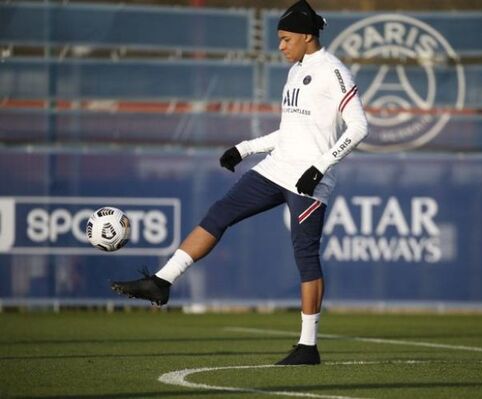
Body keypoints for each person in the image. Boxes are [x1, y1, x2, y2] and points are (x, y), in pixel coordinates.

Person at [111, 0, 368, 366]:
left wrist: (320, 167)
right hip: (275, 168)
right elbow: (290, 131)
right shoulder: (296, 71)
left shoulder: (333, 70)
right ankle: (162, 281)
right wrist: (245, 148)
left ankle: (308, 346)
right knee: (219, 212)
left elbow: (359, 127)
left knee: (305, 257)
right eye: (279, 39)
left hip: (308, 181)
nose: (280, 45)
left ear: (307, 36)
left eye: (285, 38)